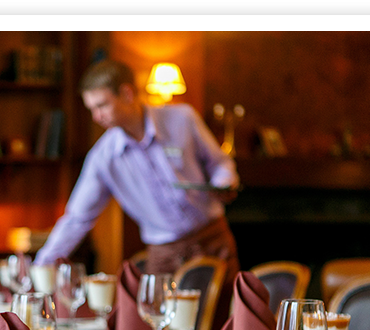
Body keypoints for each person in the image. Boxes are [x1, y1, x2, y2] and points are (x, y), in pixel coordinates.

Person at [34, 58, 240, 275]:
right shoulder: (103, 157)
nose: (96, 117)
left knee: (226, 310)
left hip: (214, 240)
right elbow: (77, 218)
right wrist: (41, 265)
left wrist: (223, 183)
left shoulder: (182, 117)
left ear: (127, 93)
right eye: (91, 109)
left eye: (102, 105)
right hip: (165, 256)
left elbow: (220, 163)